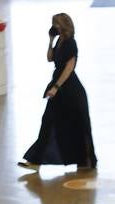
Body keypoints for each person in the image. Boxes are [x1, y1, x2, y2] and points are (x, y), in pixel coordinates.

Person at [18, 12, 97, 171]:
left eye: (56, 24)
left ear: (64, 25)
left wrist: (56, 87)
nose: (54, 27)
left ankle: (86, 160)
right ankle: (35, 161)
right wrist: (50, 40)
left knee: (79, 125)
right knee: (47, 122)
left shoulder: (71, 43)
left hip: (71, 90)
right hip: (59, 87)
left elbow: (69, 68)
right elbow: (50, 58)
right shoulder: (60, 40)